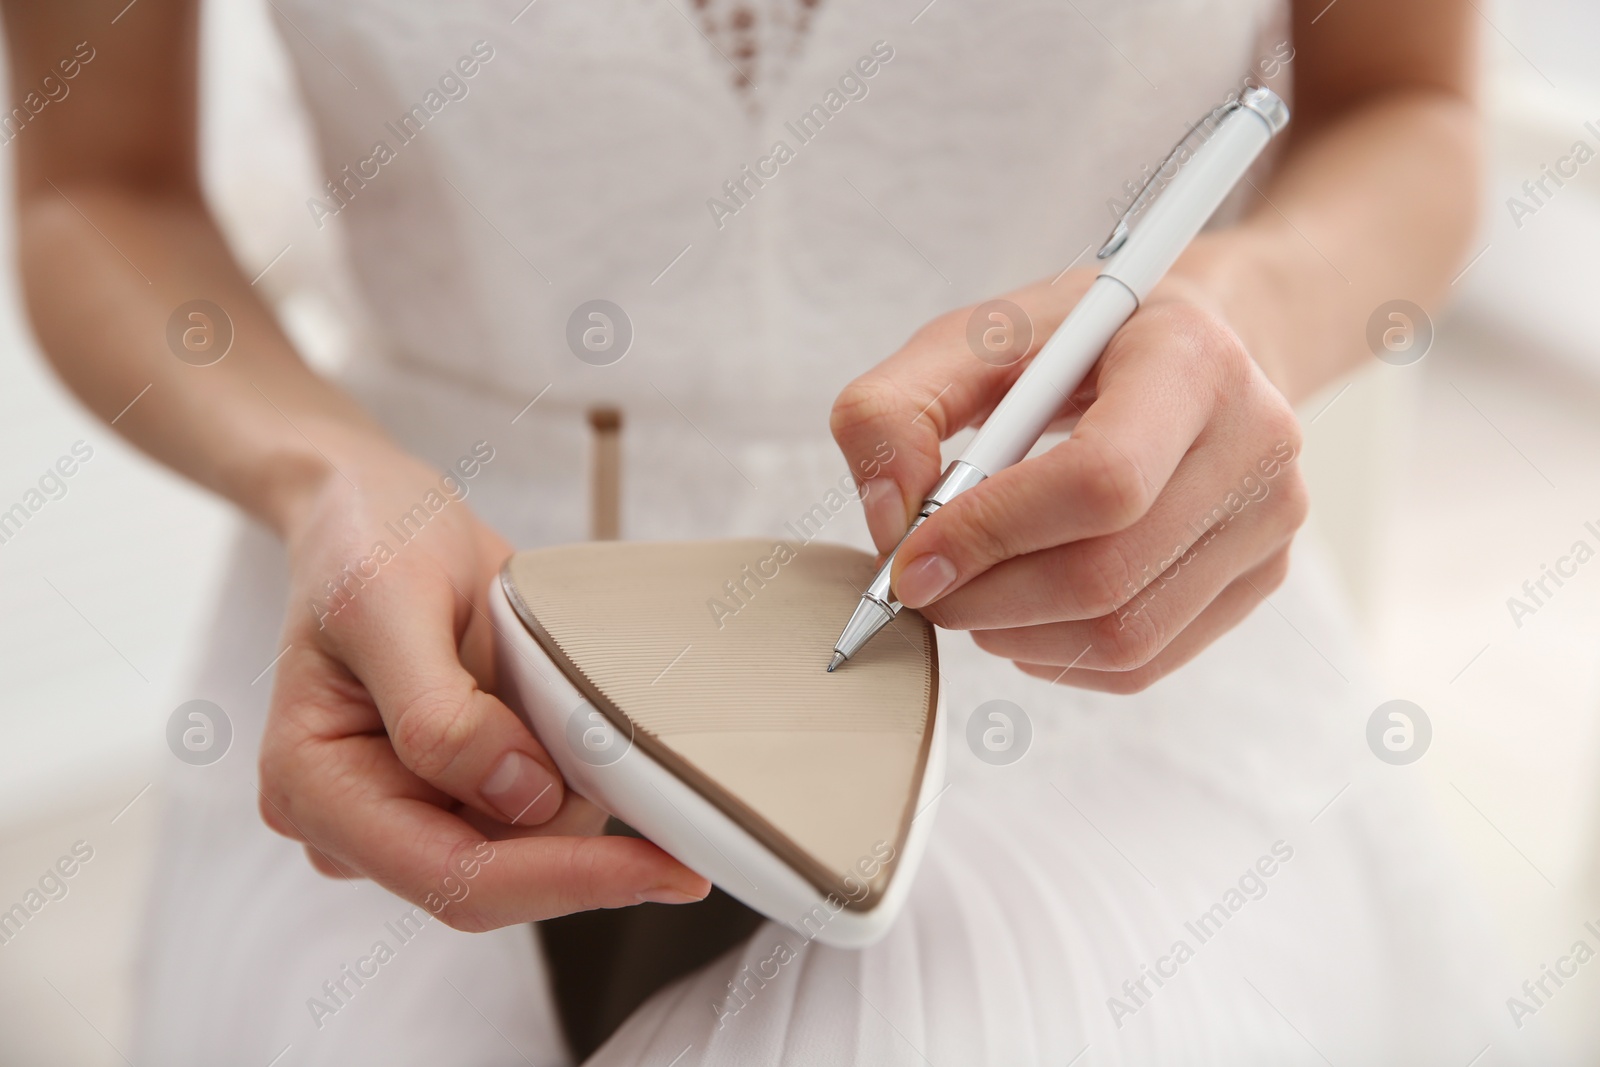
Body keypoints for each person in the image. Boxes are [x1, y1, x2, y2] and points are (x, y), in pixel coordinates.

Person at [4, 0, 1526, 1062]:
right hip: (427, 615)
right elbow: (93, 185)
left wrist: (1227, 314)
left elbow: (1410, 101)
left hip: (1060, 597)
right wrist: (316, 468)